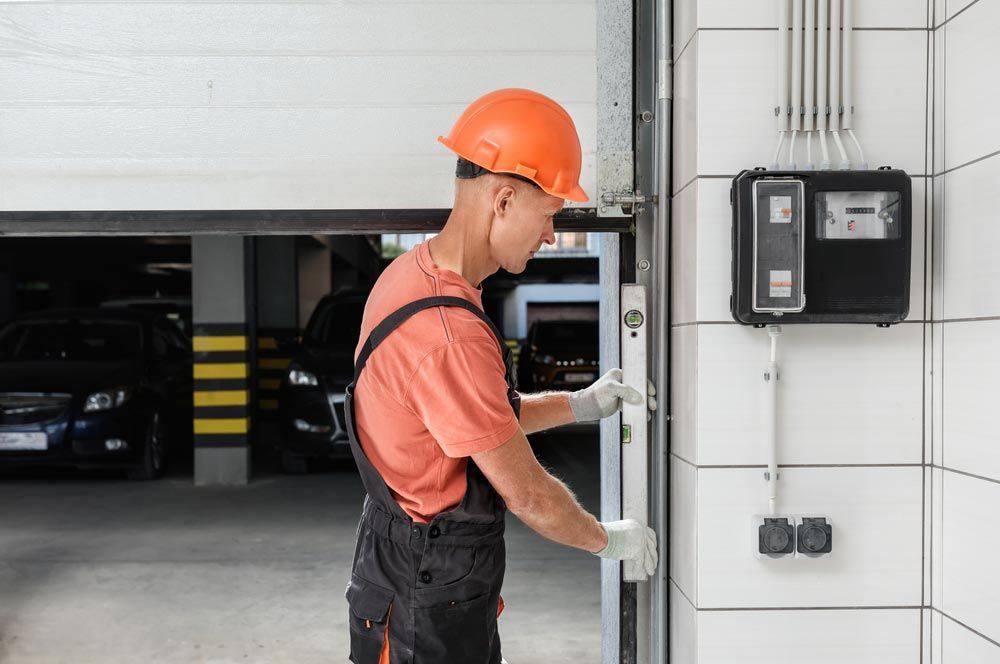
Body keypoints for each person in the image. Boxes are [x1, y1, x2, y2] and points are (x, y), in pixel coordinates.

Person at [343, 88, 658, 664]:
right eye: (549, 217)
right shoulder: (448, 333)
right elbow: (531, 495)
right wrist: (608, 539)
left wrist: (581, 403)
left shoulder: (410, 277)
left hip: (409, 573)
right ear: (505, 199)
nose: (549, 237)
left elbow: (476, 418)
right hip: (425, 600)